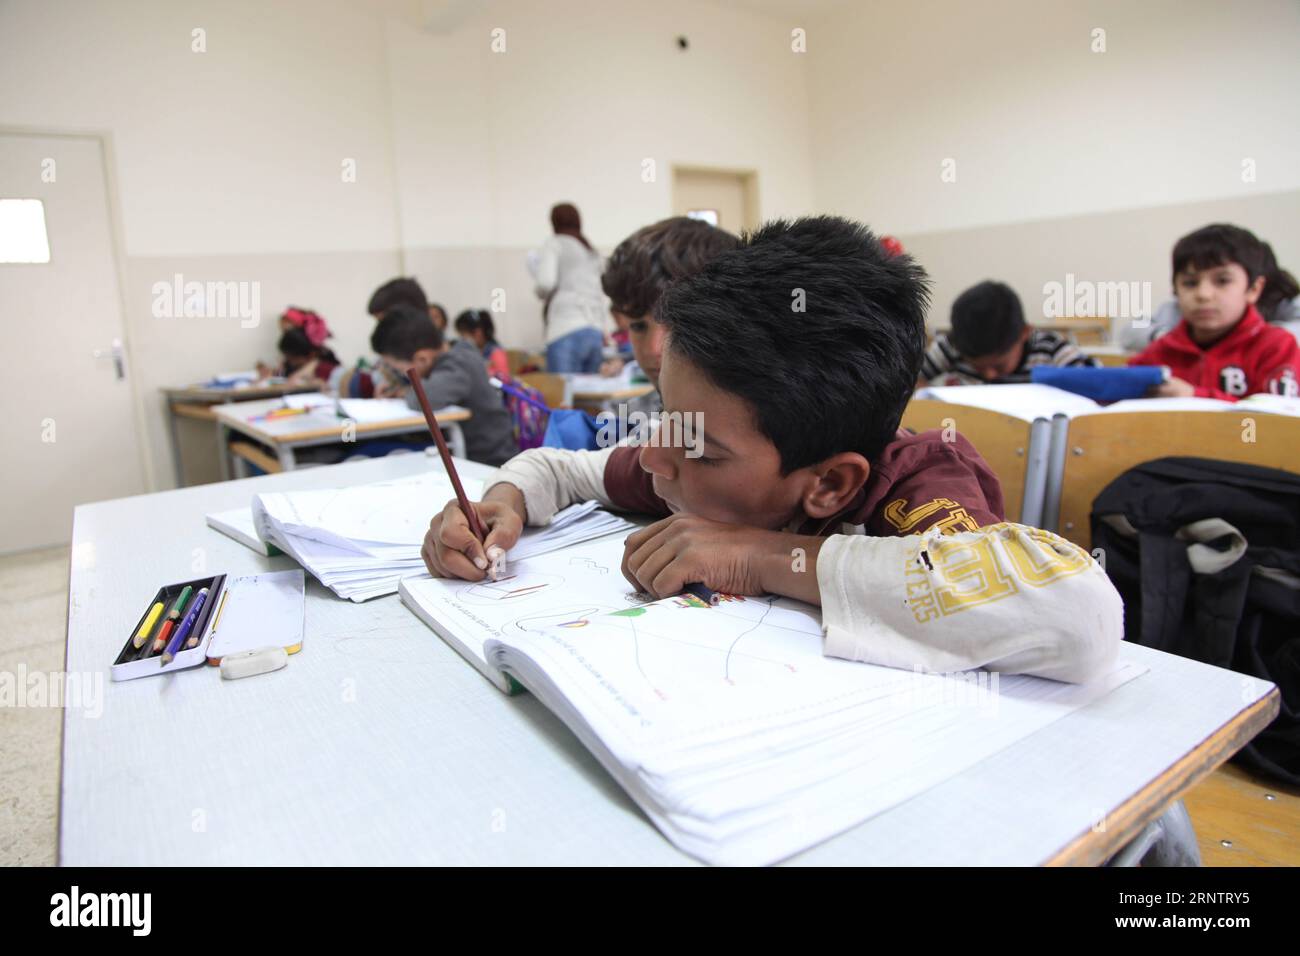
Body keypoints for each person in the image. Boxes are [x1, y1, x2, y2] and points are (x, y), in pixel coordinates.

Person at [418, 217, 1121, 684]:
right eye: (668, 415)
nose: (658, 457)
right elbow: (557, 468)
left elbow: (1078, 612)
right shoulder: (686, 458)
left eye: (700, 446)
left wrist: (760, 555)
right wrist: (502, 504)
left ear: (829, 486)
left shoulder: (914, 487)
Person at [1129, 223, 1300, 400]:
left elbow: (1276, 420)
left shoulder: (1277, 346)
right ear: (1175, 290)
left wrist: (1196, 396)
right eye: (1190, 283)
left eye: (1222, 281)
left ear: (1253, 289)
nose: (1203, 295)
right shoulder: (1162, 349)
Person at [371, 305, 518, 466]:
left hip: (490, 463)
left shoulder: (459, 363)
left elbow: (421, 398)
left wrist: (399, 392)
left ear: (422, 359)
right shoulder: (455, 355)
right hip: (468, 455)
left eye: (399, 370)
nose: (401, 374)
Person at [919, 281, 1097, 386]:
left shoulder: (1050, 349)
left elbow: (1093, 384)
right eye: (977, 367)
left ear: (1024, 333)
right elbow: (908, 382)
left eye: (999, 366)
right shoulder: (951, 346)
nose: (989, 375)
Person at [529, 203, 608, 373]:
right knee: (589, 396)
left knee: (563, 396)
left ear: (554, 222)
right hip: (594, 331)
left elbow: (545, 283)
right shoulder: (590, 250)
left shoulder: (555, 243)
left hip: (565, 329)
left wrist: (540, 292)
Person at [454, 309, 511, 381]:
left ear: (478, 332)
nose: (462, 340)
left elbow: (504, 379)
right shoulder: (469, 352)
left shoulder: (496, 352)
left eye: (463, 335)